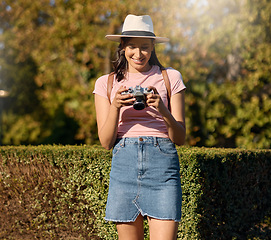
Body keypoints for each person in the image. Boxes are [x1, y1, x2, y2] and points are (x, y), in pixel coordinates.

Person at [93, 14, 186, 240]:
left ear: (153, 47)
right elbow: (106, 143)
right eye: (132, 46)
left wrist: (162, 110)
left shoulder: (170, 77)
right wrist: (115, 105)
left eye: (145, 47)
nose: (138, 54)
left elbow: (180, 137)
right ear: (123, 46)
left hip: (162, 168)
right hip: (124, 167)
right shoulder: (106, 83)